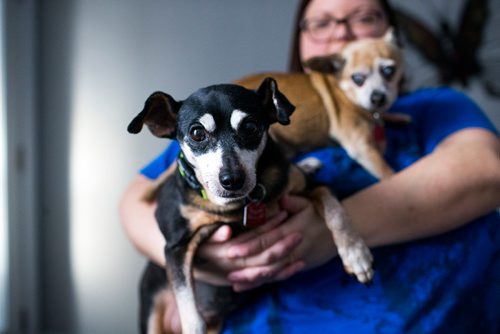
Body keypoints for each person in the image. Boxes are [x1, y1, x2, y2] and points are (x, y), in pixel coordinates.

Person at [119, 0, 500, 332]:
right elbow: (135, 201)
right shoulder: (228, 107)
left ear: (391, 33)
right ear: (300, 40)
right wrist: (204, 264)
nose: (342, 31)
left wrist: (328, 231)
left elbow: (487, 172)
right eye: (321, 21)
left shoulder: (435, 106)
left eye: (364, 16)